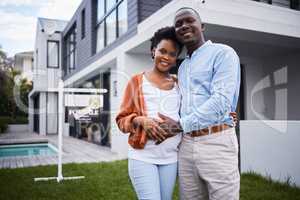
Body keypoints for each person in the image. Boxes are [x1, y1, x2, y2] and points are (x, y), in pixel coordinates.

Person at [158, 7, 241, 200]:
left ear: (201, 26)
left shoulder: (223, 53)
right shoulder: (183, 66)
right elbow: (185, 102)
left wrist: (179, 126)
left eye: (189, 20)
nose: (184, 26)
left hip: (216, 140)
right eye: (178, 24)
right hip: (186, 145)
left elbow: (220, 101)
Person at [116, 27, 183, 200]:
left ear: (176, 59)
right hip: (142, 157)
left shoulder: (180, 84)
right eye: (162, 51)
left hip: (170, 158)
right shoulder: (136, 81)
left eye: (172, 54)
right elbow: (121, 120)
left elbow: (191, 113)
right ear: (153, 51)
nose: (166, 57)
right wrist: (140, 120)